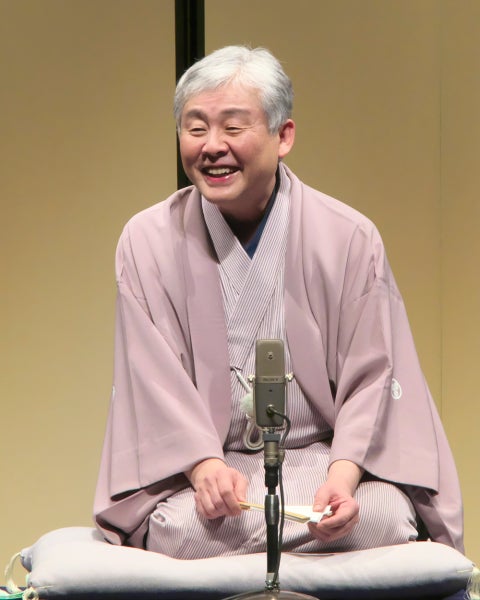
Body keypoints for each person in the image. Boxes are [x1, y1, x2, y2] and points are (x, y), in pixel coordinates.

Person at [94, 45, 464, 558]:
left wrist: (343, 478)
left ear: (283, 136)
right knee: (176, 529)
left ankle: (298, 536)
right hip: (211, 474)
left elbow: (374, 374)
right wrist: (204, 468)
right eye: (196, 128)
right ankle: (307, 552)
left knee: (383, 515)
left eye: (233, 127)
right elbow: (152, 380)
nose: (212, 146)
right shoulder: (146, 240)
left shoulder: (348, 236)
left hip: (323, 460)